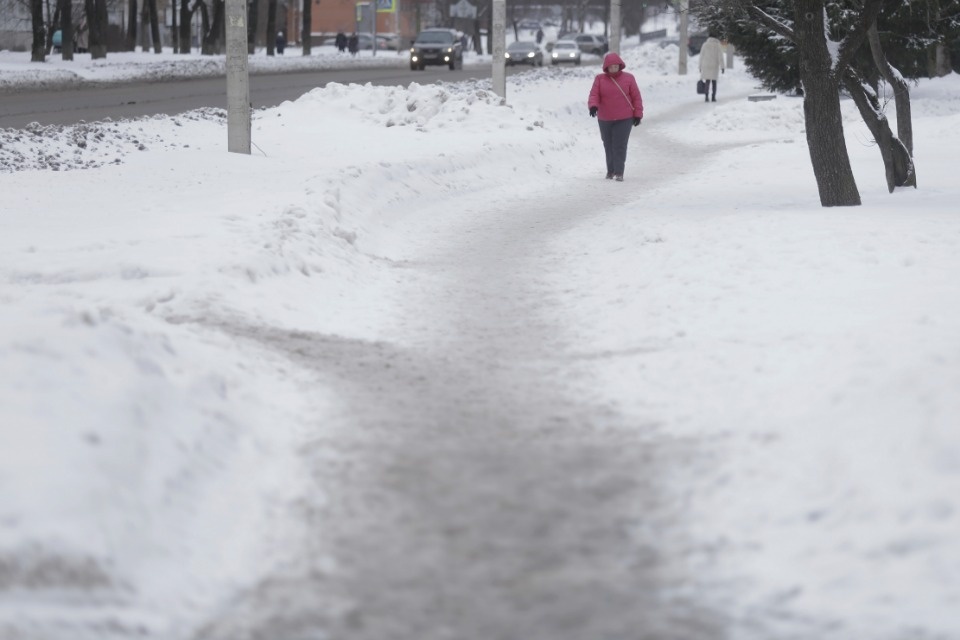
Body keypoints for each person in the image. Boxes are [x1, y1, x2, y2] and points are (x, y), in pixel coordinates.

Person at [587, 52, 643, 182]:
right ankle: (610, 170)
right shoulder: (599, 79)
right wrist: (593, 106)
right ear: (606, 67)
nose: (613, 69)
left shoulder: (629, 78)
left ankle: (619, 172)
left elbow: (636, 98)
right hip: (605, 118)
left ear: (620, 66)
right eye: (611, 66)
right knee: (608, 144)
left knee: (619, 145)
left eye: (615, 66)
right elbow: (594, 94)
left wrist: (638, 114)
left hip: (624, 118)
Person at [698, 32, 725, 102]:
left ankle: (706, 96)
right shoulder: (717, 45)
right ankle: (713, 97)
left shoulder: (705, 44)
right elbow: (720, 57)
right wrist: (722, 67)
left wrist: (700, 66)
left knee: (707, 81)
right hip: (714, 65)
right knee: (714, 82)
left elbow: (701, 56)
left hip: (706, 65)